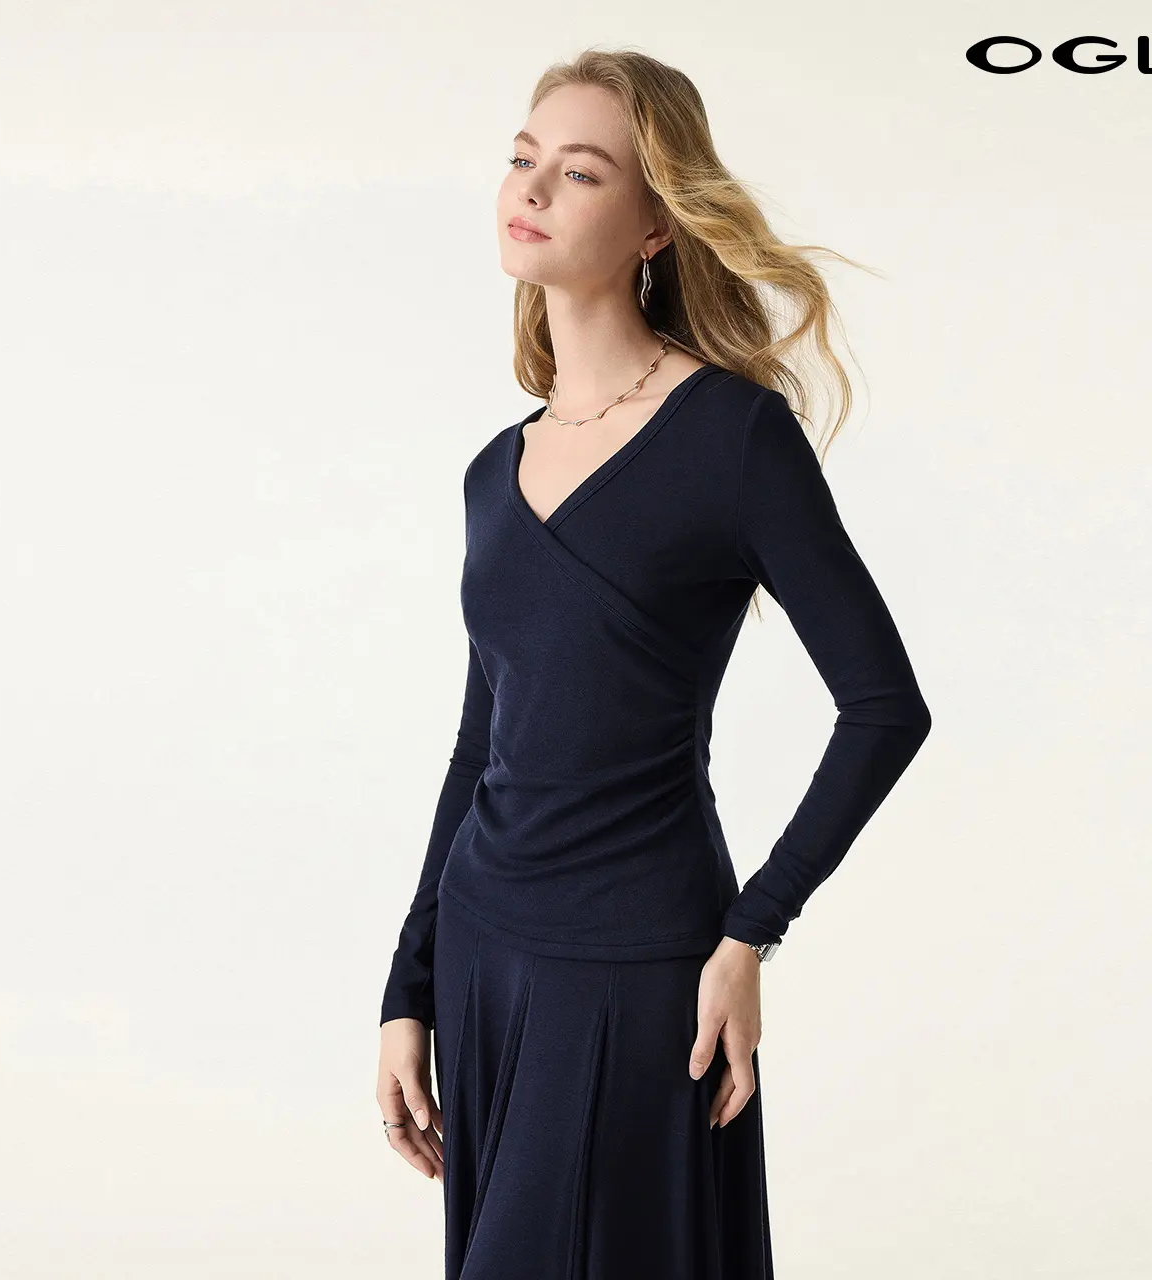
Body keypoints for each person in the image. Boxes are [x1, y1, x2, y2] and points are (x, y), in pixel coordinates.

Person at [374, 47, 932, 1280]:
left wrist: (748, 934)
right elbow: (479, 743)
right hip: (482, 954)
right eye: (522, 158)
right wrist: (406, 985)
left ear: (653, 225)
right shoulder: (493, 470)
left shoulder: (731, 434)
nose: (532, 188)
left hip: (637, 965)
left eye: (579, 172)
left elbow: (883, 707)